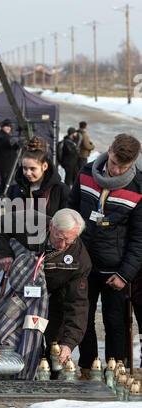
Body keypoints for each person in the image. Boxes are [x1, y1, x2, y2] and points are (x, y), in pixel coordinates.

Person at [68, 133, 142, 379]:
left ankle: (115, 369)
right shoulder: (86, 172)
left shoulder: (138, 187)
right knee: (83, 319)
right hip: (84, 264)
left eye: (124, 166)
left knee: (116, 323)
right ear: (108, 150)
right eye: (113, 163)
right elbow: (71, 209)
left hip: (116, 271)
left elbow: (139, 239)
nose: (117, 170)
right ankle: (87, 366)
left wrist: (125, 274)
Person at [0, 208, 92, 371]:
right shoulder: (30, 222)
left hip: (55, 294)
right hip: (22, 285)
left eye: (68, 241)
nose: (62, 245)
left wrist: (69, 344)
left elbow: (78, 305)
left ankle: (50, 377)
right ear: (51, 225)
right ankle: (8, 373)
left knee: (56, 342)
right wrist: (4, 253)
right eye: (59, 238)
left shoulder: (80, 259)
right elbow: (0, 226)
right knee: (12, 336)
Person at [11, 136, 69, 216]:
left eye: (32, 169)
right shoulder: (16, 189)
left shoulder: (61, 190)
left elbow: (65, 223)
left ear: (44, 166)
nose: (28, 173)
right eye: (25, 168)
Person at [0, 119, 18, 198]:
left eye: (10, 126)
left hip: (6, 163)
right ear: (3, 127)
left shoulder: (5, 136)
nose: (8, 128)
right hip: (4, 164)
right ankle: (2, 198)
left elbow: (9, 148)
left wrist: (16, 145)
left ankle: (0, 199)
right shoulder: (1, 136)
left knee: (5, 182)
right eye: (7, 126)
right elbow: (5, 146)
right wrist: (16, 145)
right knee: (6, 182)